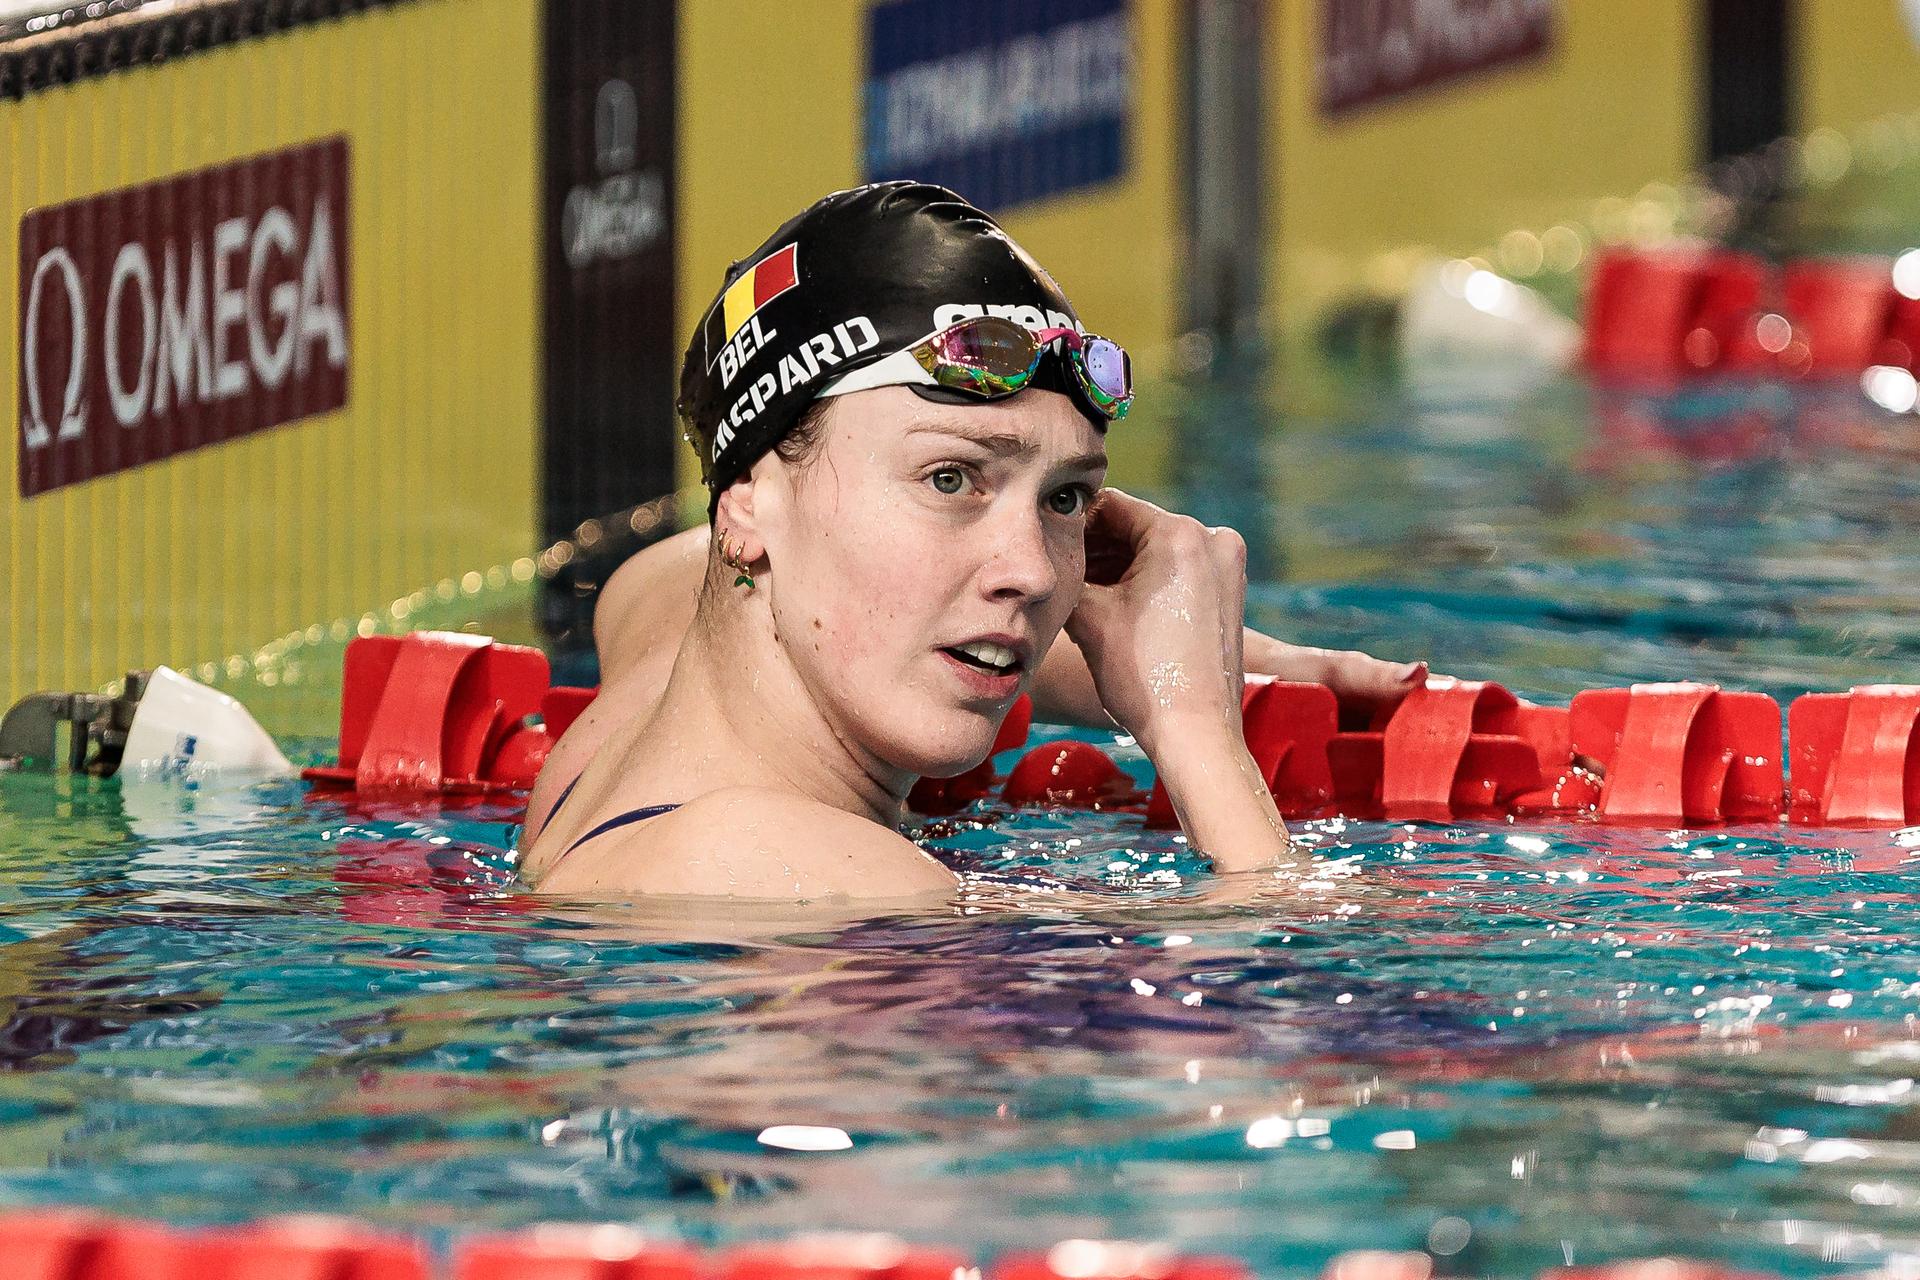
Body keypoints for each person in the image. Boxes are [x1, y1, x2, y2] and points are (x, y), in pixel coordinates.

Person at [520, 183, 1424, 898]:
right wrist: (1191, 726)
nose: (1032, 574)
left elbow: (679, 575)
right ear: (751, 508)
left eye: (1067, 499)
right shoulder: (771, 867)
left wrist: (1185, 649)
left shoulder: (655, 651)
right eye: (948, 480)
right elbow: (1287, 1031)